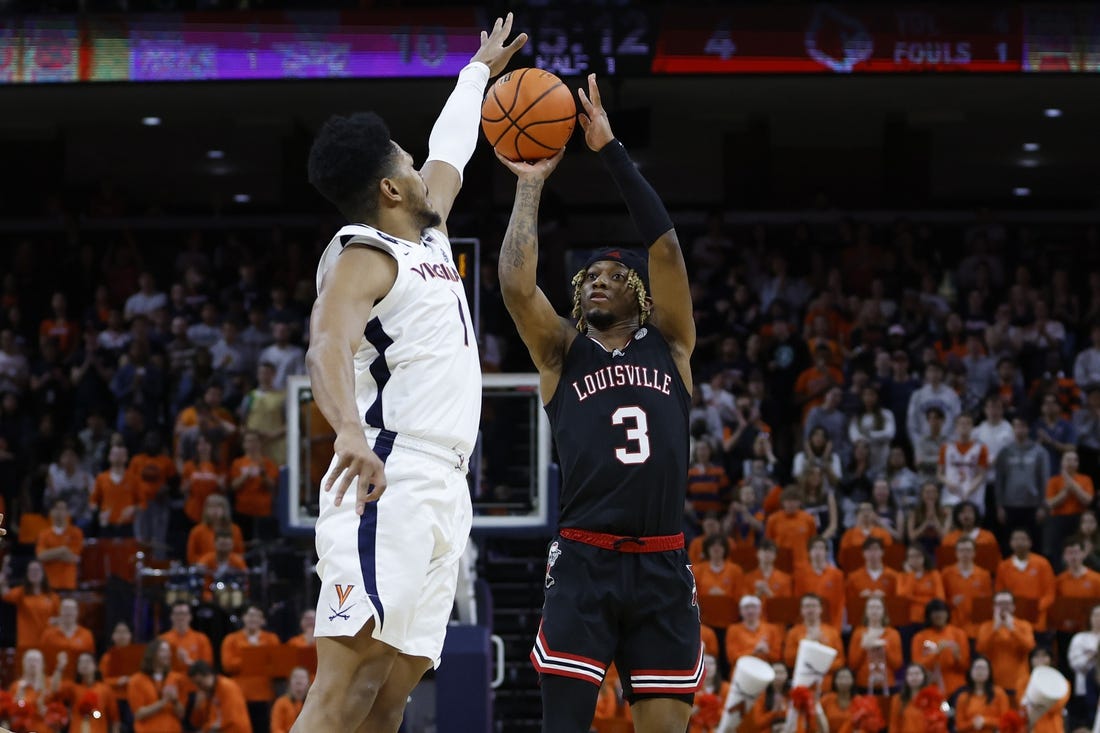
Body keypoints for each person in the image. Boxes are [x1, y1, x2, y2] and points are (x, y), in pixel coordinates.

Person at [299, 24, 526, 726]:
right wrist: (348, 432)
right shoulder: (361, 253)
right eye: (409, 162)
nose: (425, 169)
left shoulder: (425, 234)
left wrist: (476, 74)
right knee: (346, 678)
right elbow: (325, 344)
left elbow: (451, 150)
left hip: (444, 483)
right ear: (392, 187)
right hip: (387, 471)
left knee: (392, 686)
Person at [496, 71, 699, 731]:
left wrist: (609, 150)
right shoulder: (561, 352)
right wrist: (530, 185)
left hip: (663, 561)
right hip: (584, 561)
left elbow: (665, 247)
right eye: (591, 277)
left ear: (640, 297)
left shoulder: (670, 343)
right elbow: (516, 287)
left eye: (617, 275)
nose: (600, 282)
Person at [221, 604, 281, 732]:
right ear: (243, 618)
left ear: (262, 620)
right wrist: (254, 655)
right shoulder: (231, 639)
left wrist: (248, 657)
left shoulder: (271, 639)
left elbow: (277, 665)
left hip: (264, 695)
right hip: (240, 695)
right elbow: (228, 665)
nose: (252, 619)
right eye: (249, 615)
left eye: (256, 616)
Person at [976, 591, 1035, 698]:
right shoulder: (986, 627)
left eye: (1007, 603)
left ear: (1013, 607)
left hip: (1019, 682)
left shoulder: (1024, 625)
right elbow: (980, 648)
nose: (1003, 607)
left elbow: (1029, 647)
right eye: (1000, 604)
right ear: (993, 607)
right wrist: (995, 628)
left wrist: (1012, 628)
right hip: (994, 682)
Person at [996, 528, 1055, 632]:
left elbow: (1050, 594)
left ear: (1030, 542)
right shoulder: (1003, 567)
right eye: (1016, 539)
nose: (1019, 542)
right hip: (1013, 620)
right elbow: (999, 594)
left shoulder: (1042, 564)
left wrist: (1035, 608)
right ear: (1010, 543)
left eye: (1023, 539)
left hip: (1037, 620)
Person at [911, 599, 969, 696]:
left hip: (956, 687)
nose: (939, 616)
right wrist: (936, 652)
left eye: (942, 612)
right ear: (929, 616)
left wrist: (957, 657)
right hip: (929, 687)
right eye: (935, 613)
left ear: (947, 614)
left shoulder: (959, 634)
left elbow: (966, 666)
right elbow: (917, 666)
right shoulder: (920, 637)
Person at [53, 651, 122, 733]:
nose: (84, 664)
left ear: (95, 666)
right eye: (81, 662)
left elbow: (115, 719)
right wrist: (60, 668)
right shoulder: (73, 688)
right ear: (77, 668)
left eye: (87, 661)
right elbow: (54, 690)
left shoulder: (105, 690)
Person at [0, 557, 59, 650]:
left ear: (43, 573)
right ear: (27, 574)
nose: (34, 573)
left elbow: (60, 618)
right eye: (31, 570)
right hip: (26, 643)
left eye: (36, 570)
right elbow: (5, 594)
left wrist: (56, 621)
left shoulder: (53, 597)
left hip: (47, 642)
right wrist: (3, 571)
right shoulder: (21, 592)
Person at [128, 640, 186, 733]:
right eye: (164, 651)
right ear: (152, 654)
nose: (169, 654)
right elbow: (139, 714)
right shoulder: (136, 680)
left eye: (169, 651)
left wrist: (175, 701)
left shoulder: (176, 678)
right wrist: (164, 701)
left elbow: (181, 714)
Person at [942, 536, 994, 639]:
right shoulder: (946, 573)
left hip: (976, 629)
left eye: (968, 550)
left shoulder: (984, 575)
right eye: (961, 550)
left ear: (974, 553)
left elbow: (987, 604)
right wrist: (951, 602)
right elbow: (941, 599)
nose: (965, 553)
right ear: (956, 553)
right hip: (954, 626)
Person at [847, 596, 902, 695]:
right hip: (863, 684)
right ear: (866, 611)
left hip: (887, 684)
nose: (874, 611)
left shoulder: (893, 634)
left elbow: (897, 665)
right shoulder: (858, 633)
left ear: (883, 611)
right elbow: (852, 664)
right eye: (871, 607)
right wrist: (863, 648)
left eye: (878, 608)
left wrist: (885, 649)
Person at [938, 413, 989, 510]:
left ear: (972, 427)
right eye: (961, 423)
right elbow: (939, 474)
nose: (964, 426)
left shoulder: (981, 448)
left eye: (967, 423)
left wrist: (969, 489)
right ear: (956, 427)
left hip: (973, 493)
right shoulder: (946, 448)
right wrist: (948, 483)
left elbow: (981, 474)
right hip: (951, 493)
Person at [794, 536, 844, 629]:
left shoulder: (837, 575)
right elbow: (798, 602)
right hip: (807, 625)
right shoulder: (801, 575)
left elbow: (840, 603)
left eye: (821, 548)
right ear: (809, 552)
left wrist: (837, 628)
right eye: (814, 548)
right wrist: (801, 627)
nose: (818, 552)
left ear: (826, 552)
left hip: (830, 625)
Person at [187, 660, 251, 733]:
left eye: (200, 683)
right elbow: (196, 723)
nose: (199, 687)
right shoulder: (207, 692)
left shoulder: (227, 687)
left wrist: (204, 730)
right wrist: (197, 706)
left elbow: (228, 719)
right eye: (196, 684)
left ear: (208, 675)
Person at [40, 597, 96, 680]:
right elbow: (41, 661)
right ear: (60, 612)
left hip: (78, 684)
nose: (68, 612)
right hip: (53, 681)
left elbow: (90, 662)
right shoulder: (48, 635)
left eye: (72, 609)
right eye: (65, 609)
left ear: (77, 612)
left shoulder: (87, 635)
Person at [35, 498, 84, 591]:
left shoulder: (76, 533)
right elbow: (40, 556)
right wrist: (63, 550)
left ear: (67, 512)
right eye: (56, 508)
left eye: (62, 509)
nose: (59, 512)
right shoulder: (44, 534)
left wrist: (50, 554)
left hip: (68, 583)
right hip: (49, 583)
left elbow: (73, 558)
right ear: (51, 512)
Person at [1066, 603, 1100, 730]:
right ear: (1090, 618)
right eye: (1096, 615)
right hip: (1084, 690)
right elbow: (1075, 663)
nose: (1099, 618)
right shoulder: (1080, 638)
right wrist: (1092, 656)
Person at [954, 656, 1009, 733]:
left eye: (983, 668)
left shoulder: (999, 693)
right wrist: (972, 723)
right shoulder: (963, 697)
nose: (980, 671)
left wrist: (985, 721)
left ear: (989, 672)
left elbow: (1006, 721)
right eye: (977, 668)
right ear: (971, 671)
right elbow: (958, 726)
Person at [186, 493, 244, 566]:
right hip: (205, 570)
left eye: (218, 507)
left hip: (229, 571)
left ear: (225, 510)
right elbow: (191, 557)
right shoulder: (197, 531)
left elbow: (240, 554)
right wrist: (208, 562)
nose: (215, 511)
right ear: (205, 510)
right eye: (211, 507)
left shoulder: (234, 529)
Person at [725, 595, 782, 665]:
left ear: (760, 610)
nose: (750, 611)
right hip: (742, 670)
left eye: (754, 607)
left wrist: (767, 652)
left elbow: (777, 657)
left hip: (765, 670)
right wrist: (754, 651)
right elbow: (732, 658)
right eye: (746, 608)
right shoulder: (733, 630)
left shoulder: (772, 629)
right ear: (740, 611)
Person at [889, 664, 937, 733]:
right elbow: (894, 725)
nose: (914, 677)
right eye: (910, 674)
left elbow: (937, 723)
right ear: (906, 678)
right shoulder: (897, 699)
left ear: (924, 676)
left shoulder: (932, 697)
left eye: (917, 674)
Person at [10, 648, 49, 732]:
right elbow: (10, 711)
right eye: (29, 660)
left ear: (42, 664)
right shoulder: (16, 686)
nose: (32, 664)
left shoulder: (48, 684)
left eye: (36, 660)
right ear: (23, 663)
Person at [272, 666, 311, 733]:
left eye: (302, 677)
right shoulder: (280, 703)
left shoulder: (313, 704)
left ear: (308, 683)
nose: (299, 681)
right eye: (295, 677)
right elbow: (276, 729)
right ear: (289, 682)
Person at [819, 667, 855, 732]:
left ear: (853, 680)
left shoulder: (859, 701)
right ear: (834, 681)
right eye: (840, 678)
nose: (844, 681)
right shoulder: (826, 699)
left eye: (847, 678)